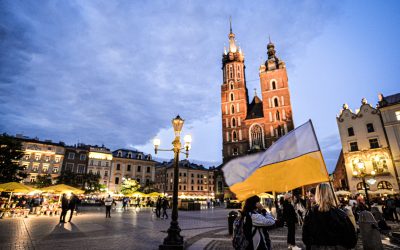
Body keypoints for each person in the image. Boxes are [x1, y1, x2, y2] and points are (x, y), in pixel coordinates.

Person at [302, 183, 357, 250]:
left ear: (317, 195)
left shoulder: (311, 213)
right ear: (331, 194)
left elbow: (305, 235)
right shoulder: (339, 213)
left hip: (317, 246)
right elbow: (351, 236)